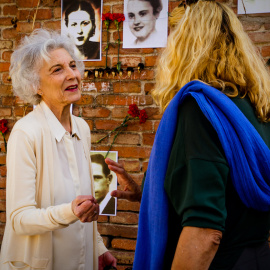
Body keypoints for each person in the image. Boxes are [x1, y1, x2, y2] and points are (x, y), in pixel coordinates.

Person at [106, 0, 270, 269]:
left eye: (174, 38)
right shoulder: (256, 106)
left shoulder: (200, 109)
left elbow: (205, 232)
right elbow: (227, 190)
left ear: (187, 45)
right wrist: (145, 191)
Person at [0, 29, 116, 270]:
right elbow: (19, 219)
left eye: (73, 66)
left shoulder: (82, 128)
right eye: (57, 69)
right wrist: (70, 211)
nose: (72, 75)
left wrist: (98, 248)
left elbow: (84, 204)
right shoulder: (25, 133)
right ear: (35, 85)